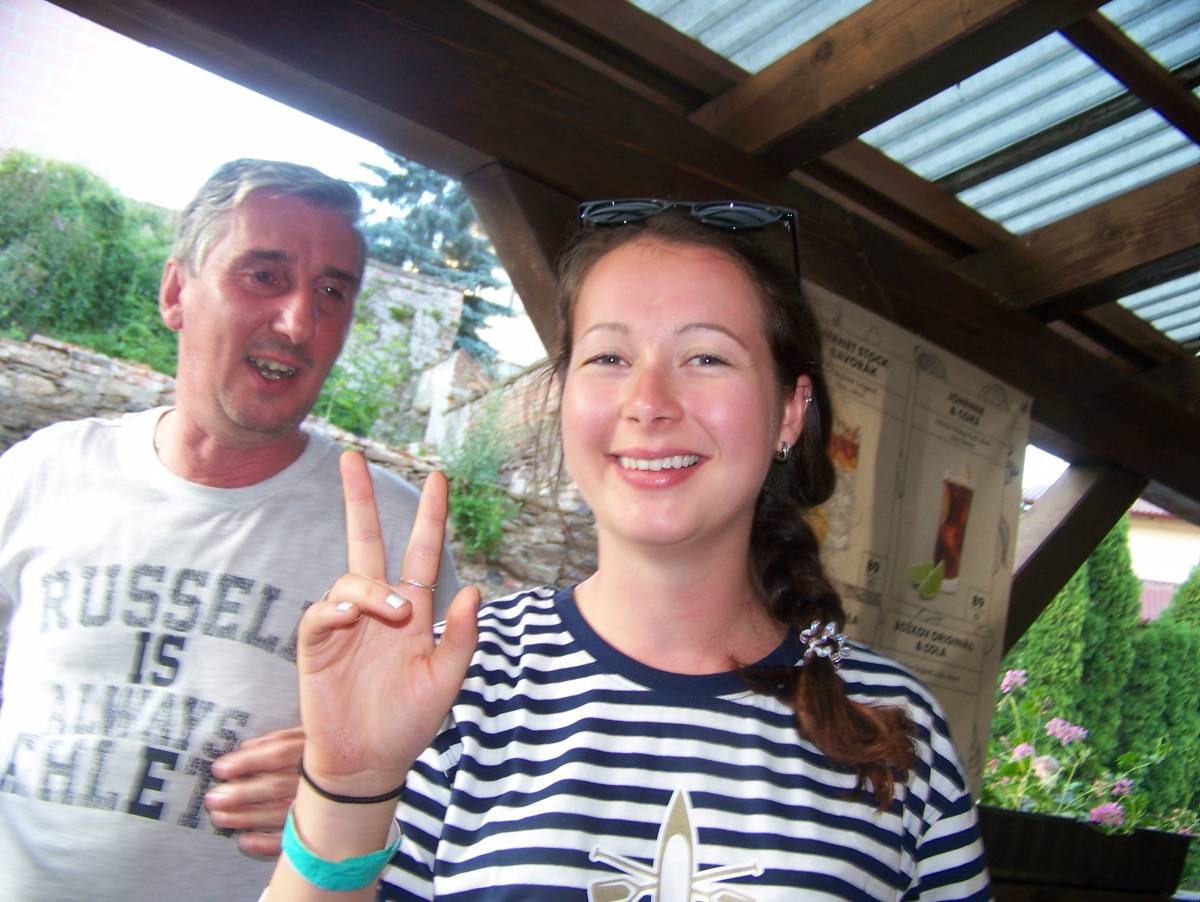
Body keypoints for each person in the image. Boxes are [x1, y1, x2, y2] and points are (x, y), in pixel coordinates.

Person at [266, 200, 992, 900]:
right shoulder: (452, 683)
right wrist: (350, 787)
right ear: (564, 397)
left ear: (789, 411)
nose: (648, 402)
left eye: (705, 357)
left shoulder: (895, 726)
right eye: (609, 356)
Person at [0, 158, 459, 900]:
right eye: (264, 276)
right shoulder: (40, 474)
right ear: (175, 292)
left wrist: (351, 789)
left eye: (332, 292)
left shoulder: (396, 535)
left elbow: (458, 791)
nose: (299, 322)